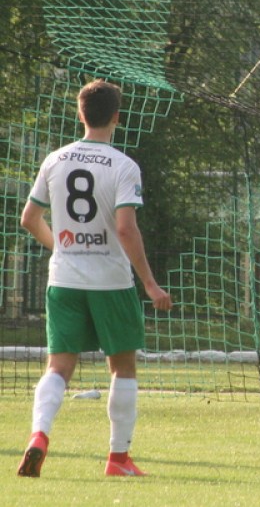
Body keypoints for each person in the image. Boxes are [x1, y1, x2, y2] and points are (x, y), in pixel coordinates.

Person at [17, 80, 173, 478]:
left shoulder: (55, 160)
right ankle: (118, 459)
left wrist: (62, 247)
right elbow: (125, 229)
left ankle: (39, 435)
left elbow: (29, 219)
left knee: (58, 367)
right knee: (122, 367)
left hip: (64, 279)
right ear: (117, 117)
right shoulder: (123, 166)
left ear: (80, 113)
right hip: (110, 281)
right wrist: (150, 283)